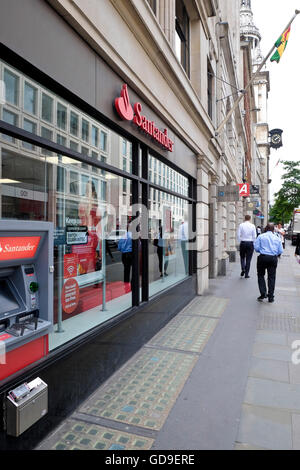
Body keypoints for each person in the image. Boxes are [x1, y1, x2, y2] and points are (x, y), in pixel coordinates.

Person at [254, 223, 283, 303]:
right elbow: (280, 251)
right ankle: (271, 297)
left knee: (260, 275)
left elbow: (256, 248)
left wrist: (262, 251)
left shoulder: (260, 236)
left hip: (263, 257)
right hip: (273, 258)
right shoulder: (277, 238)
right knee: (271, 277)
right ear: (273, 229)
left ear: (266, 229)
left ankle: (263, 293)